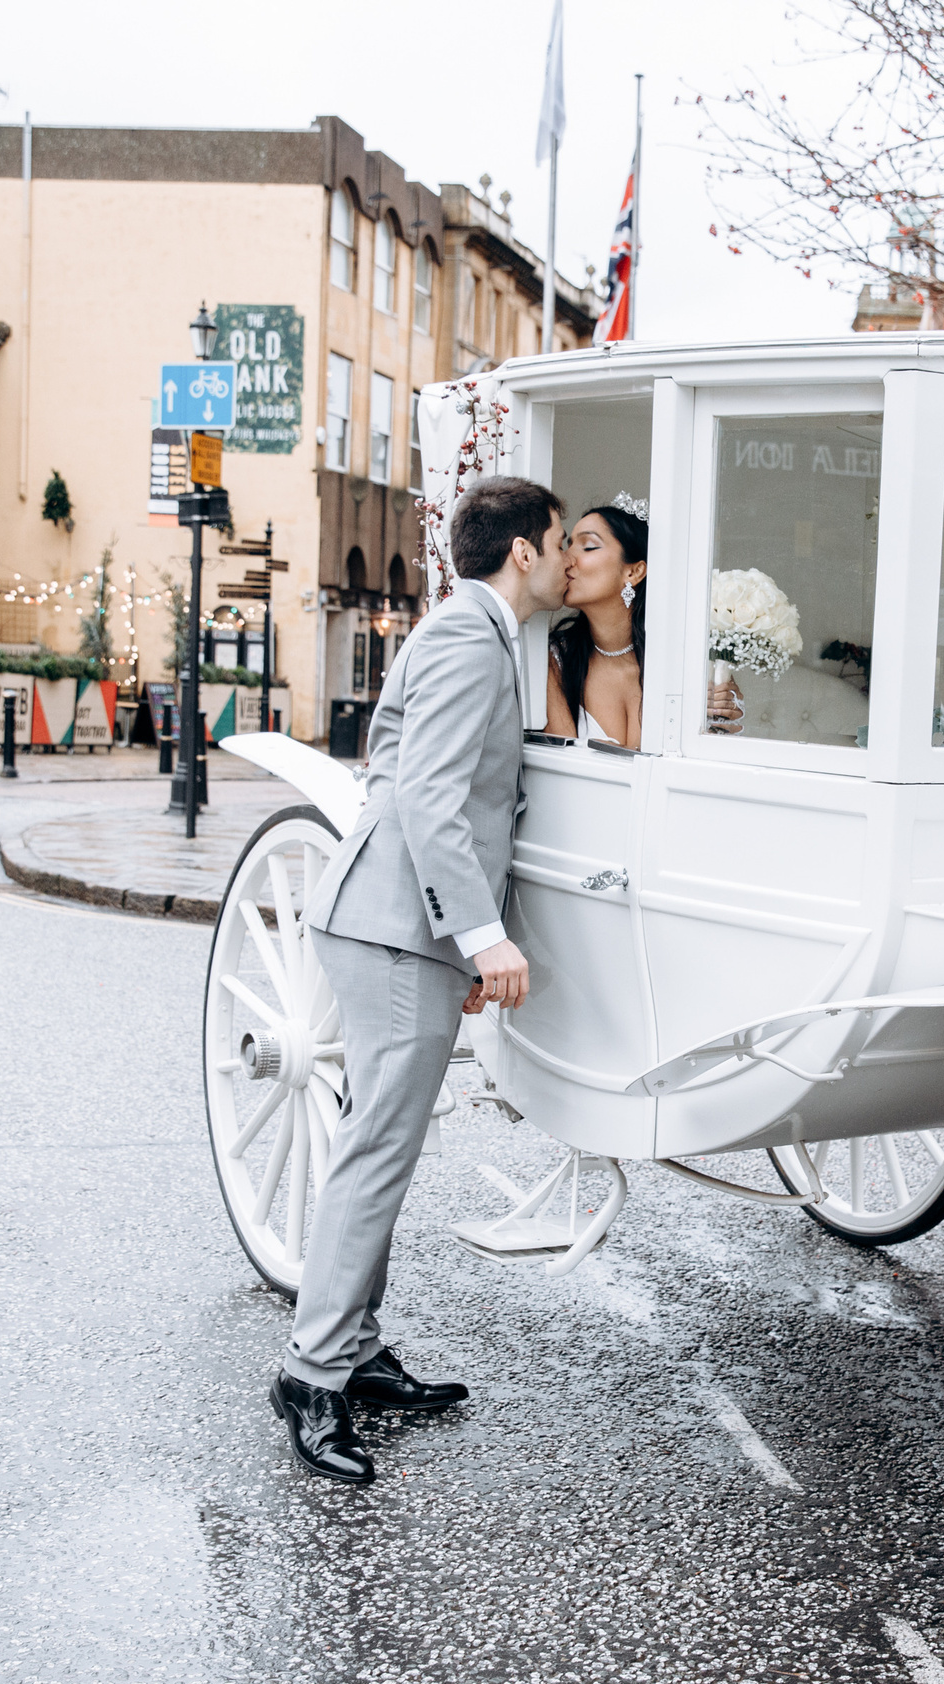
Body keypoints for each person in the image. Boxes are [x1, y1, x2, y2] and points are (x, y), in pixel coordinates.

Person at [278, 475, 572, 1485]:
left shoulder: (474, 634)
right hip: (398, 931)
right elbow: (435, 797)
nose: (566, 555)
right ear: (522, 551)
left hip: (395, 925)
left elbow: (392, 759)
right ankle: (312, 1375)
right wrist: (482, 937)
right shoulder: (464, 636)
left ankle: (352, 1353)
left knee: (380, 1148)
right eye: (556, 537)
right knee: (376, 1153)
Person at [541, 496, 741, 745]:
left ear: (634, 572)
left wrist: (720, 725)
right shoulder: (555, 661)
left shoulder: (681, 666)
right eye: (567, 546)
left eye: (588, 546)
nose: (567, 559)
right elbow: (562, 768)